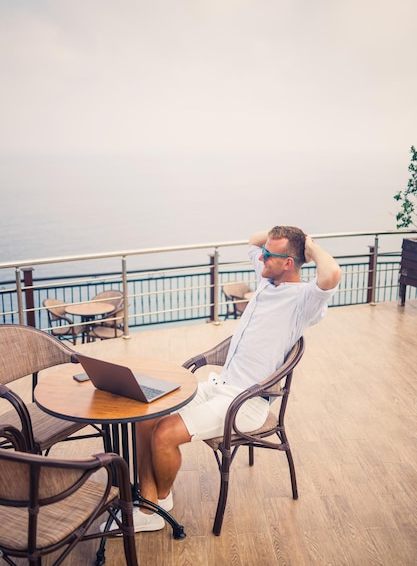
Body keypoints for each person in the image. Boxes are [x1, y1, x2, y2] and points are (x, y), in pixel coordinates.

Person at [121, 225, 341, 532]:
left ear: (288, 263)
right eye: (263, 254)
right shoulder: (268, 280)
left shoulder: (303, 301)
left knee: (164, 434)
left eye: (269, 255)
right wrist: (279, 240)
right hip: (219, 385)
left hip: (245, 402)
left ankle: (152, 507)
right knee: (147, 409)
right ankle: (153, 501)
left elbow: (331, 273)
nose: (261, 256)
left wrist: (309, 245)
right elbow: (253, 240)